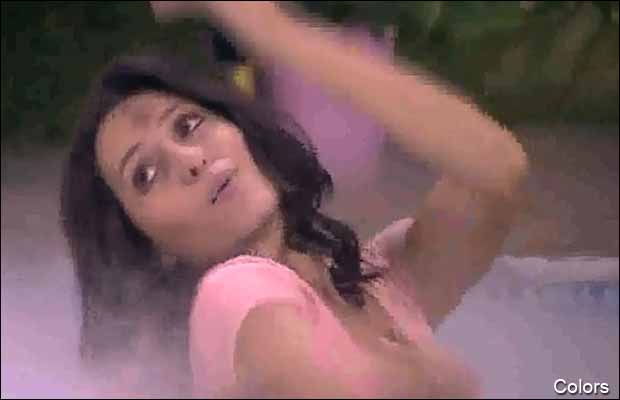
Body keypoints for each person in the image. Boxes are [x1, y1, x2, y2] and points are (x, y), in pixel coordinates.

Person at [60, 1, 528, 397]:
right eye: (145, 174)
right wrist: (425, 378)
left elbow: (496, 171)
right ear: (150, 247)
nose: (190, 160)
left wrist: (270, 29)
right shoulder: (231, 294)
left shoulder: (377, 284)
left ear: (241, 130)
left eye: (187, 125)